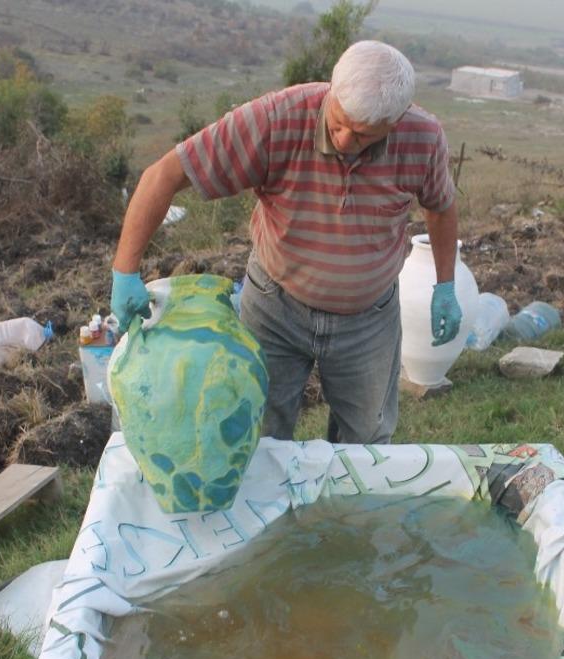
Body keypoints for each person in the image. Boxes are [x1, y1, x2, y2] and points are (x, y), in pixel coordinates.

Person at [110, 40, 461, 444]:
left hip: (369, 318)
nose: (346, 141)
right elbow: (164, 175)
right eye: (338, 124)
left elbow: (440, 206)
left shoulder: (424, 137)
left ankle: (341, 508)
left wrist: (446, 284)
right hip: (276, 306)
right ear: (331, 91)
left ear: (396, 121)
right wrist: (125, 270)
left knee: (366, 439)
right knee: (259, 432)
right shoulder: (276, 119)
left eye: (363, 136)